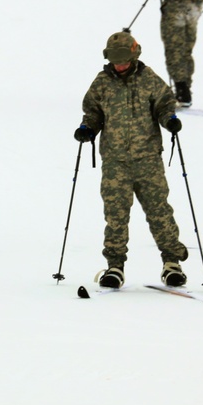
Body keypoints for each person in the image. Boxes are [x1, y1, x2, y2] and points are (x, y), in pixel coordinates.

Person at [74, 31, 189, 288]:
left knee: (159, 212)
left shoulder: (148, 79)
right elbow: (92, 111)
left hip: (148, 160)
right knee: (116, 216)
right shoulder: (102, 82)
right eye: (116, 60)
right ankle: (115, 267)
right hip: (115, 162)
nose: (120, 65)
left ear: (134, 55)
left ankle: (172, 263)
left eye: (124, 59)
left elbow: (164, 103)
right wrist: (87, 128)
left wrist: (168, 119)